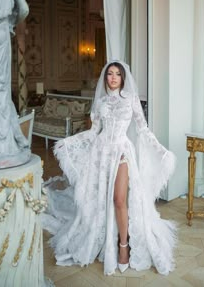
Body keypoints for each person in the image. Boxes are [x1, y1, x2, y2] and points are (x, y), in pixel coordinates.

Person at [42, 60, 177, 276]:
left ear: (123, 78)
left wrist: (161, 151)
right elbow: (94, 131)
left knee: (119, 199)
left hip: (121, 151)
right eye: (110, 74)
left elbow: (142, 129)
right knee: (101, 199)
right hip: (100, 153)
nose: (113, 77)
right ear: (106, 78)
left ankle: (124, 245)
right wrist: (69, 143)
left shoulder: (131, 100)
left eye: (117, 74)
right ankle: (106, 238)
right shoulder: (101, 102)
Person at [0, 0, 30, 168]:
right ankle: (4, 143)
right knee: (1, 89)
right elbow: (23, 8)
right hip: (0, 32)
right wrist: (11, 22)